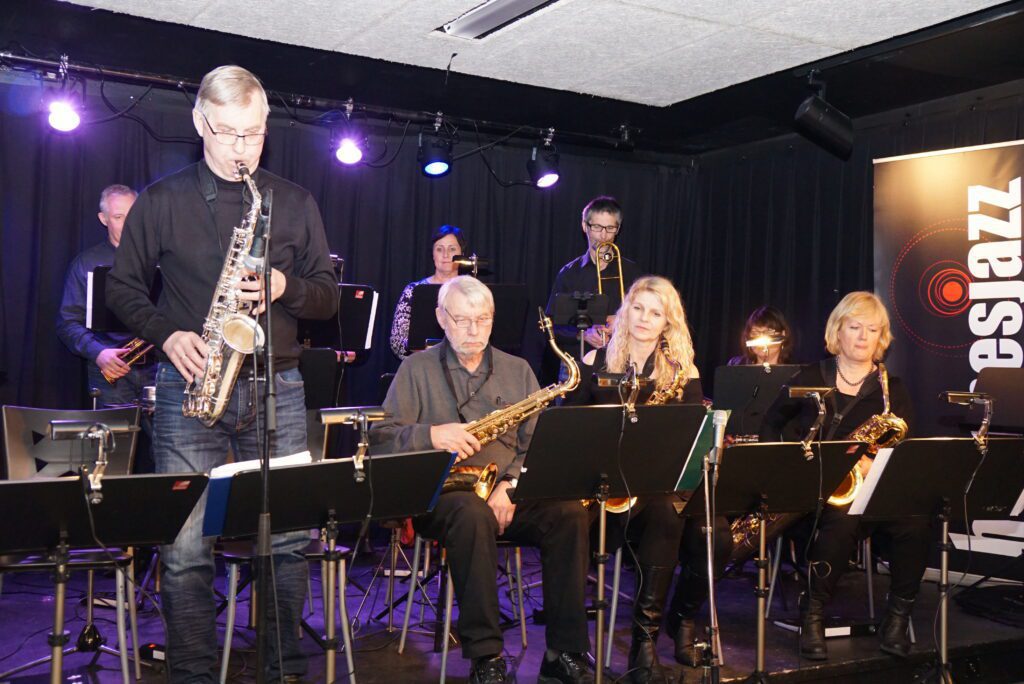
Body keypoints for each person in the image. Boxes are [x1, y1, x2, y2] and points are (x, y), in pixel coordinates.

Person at [107, 65, 338, 683]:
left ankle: (283, 671)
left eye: (255, 135)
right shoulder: (161, 200)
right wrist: (167, 333)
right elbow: (122, 290)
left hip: (278, 386)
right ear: (199, 123)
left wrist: (284, 285)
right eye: (229, 134)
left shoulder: (293, 200)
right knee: (184, 553)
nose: (242, 150)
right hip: (193, 384)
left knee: (287, 543)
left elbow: (328, 298)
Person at [371, 276, 593, 684]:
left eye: (483, 320)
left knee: (569, 514)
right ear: (441, 318)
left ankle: (565, 651)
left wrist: (510, 484)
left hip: (508, 492)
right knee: (471, 515)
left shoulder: (518, 369)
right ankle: (486, 656)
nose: (474, 331)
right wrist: (431, 434)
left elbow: (536, 445)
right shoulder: (415, 368)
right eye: (462, 320)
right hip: (441, 497)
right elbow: (380, 438)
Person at [759, 291, 925, 661]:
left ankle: (897, 619)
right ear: (838, 330)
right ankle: (813, 614)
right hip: (815, 493)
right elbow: (770, 423)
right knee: (842, 518)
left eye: (873, 329)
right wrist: (787, 468)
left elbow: (906, 448)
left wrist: (874, 463)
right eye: (855, 327)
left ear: (881, 338)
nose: (864, 337)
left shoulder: (891, 390)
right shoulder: (811, 377)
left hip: (873, 492)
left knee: (915, 522)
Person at [566, 276, 706, 683]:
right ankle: (579, 646)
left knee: (672, 513)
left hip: (653, 493)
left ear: (668, 321)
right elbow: (569, 435)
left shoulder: (684, 372)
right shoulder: (594, 362)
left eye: (656, 312)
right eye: (639, 308)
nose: (645, 318)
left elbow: (691, 442)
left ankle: (644, 643)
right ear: (625, 312)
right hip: (601, 495)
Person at [57, 184, 156, 408]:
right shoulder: (87, 263)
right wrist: (99, 353)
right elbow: (67, 323)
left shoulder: (162, 258)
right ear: (104, 219)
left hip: (158, 369)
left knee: (165, 443)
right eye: (119, 216)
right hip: (110, 371)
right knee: (112, 442)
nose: (129, 223)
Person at [546, 196, 642, 360]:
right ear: (585, 226)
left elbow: (648, 317)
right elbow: (552, 326)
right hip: (577, 363)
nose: (603, 235)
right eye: (597, 227)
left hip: (622, 361)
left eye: (610, 228)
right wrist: (582, 335)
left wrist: (621, 321)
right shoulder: (569, 273)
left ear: (618, 229)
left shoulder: (632, 271)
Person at [389, 224, 465, 358]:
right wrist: (425, 358)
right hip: (422, 367)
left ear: (461, 253)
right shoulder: (413, 291)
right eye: (439, 249)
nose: (446, 255)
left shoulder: (472, 291)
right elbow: (397, 341)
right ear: (433, 254)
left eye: (452, 249)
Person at [727, 305, 794, 367]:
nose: (761, 337)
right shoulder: (736, 365)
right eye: (755, 333)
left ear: (783, 334)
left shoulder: (795, 371)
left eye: (768, 332)